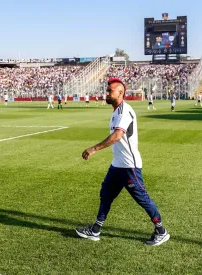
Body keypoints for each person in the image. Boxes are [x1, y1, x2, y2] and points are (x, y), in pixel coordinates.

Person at [76, 77, 170, 246]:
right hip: (117, 165)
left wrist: (94, 148)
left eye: (110, 91)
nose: (106, 93)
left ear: (120, 93)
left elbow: (118, 136)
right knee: (106, 194)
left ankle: (161, 231)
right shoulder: (115, 111)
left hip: (129, 166)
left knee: (142, 198)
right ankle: (95, 231)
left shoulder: (124, 111)